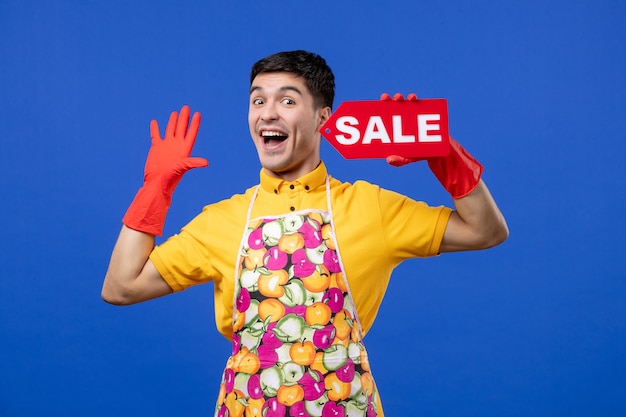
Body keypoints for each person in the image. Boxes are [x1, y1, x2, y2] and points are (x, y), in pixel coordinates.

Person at [102, 50, 508, 417]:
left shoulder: (371, 208)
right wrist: (154, 190)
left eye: (288, 100)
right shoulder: (221, 220)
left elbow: (485, 231)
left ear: (323, 118)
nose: (268, 113)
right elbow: (121, 286)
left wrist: (445, 155)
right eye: (258, 100)